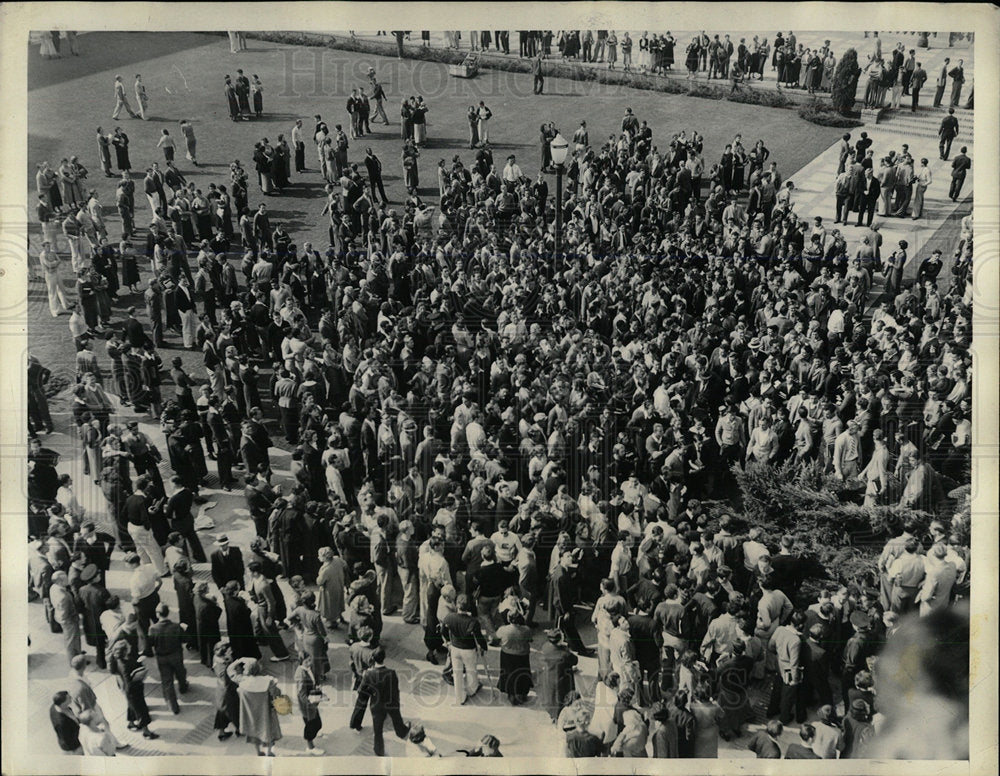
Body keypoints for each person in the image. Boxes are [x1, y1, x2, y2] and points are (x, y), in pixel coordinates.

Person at [351, 646, 411, 756]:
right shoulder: (391, 673)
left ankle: (378, 750)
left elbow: (362, 691)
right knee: (397, 718)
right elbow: (395, 689)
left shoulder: (368, 674)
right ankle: (401, 732)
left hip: (376, 705)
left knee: (377, 730)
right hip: (391, 702)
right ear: (384, 658)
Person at [228, 656, 283, 756]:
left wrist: (239, 660)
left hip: (251, 714)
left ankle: (258, 752)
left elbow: (230, 672)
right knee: (269, 732)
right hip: (266, 712)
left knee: (254, 734)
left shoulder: (243, 682)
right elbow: (277, 694)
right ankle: (270, 752)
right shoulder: (268, 681)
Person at [148, 603, 189, 714]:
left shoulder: (153, 629)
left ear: (158, 614)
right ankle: (183, 687)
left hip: (162, 658)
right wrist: (184, 629)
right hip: (176, 655)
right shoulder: (176, 626)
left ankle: (173, 707)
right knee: (180, 672)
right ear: (168, 613)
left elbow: (150, 643)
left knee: (167, 682)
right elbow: (184, 640)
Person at [537, 628, 578, 723]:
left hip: (549, 675)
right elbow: (574, 660)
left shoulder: (545, 647)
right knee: (560, 698)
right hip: (562, 679)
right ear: (560, 640)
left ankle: (552, 715)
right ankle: (559, 717)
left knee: (551, 696)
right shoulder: (564, 654)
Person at [294, 650, 326, 755]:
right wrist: (313, 701)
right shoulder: (301, 676)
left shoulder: (306, 669)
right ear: (301, 661)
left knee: (314, 722)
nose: (309, 663)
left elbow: (312, 681)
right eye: (306, 661)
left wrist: (316, 688)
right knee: (313, 724)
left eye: (309, 660)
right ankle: (310, 747)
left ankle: (315, 732)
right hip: (307, 705)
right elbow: (301, 694)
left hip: (311, 704)